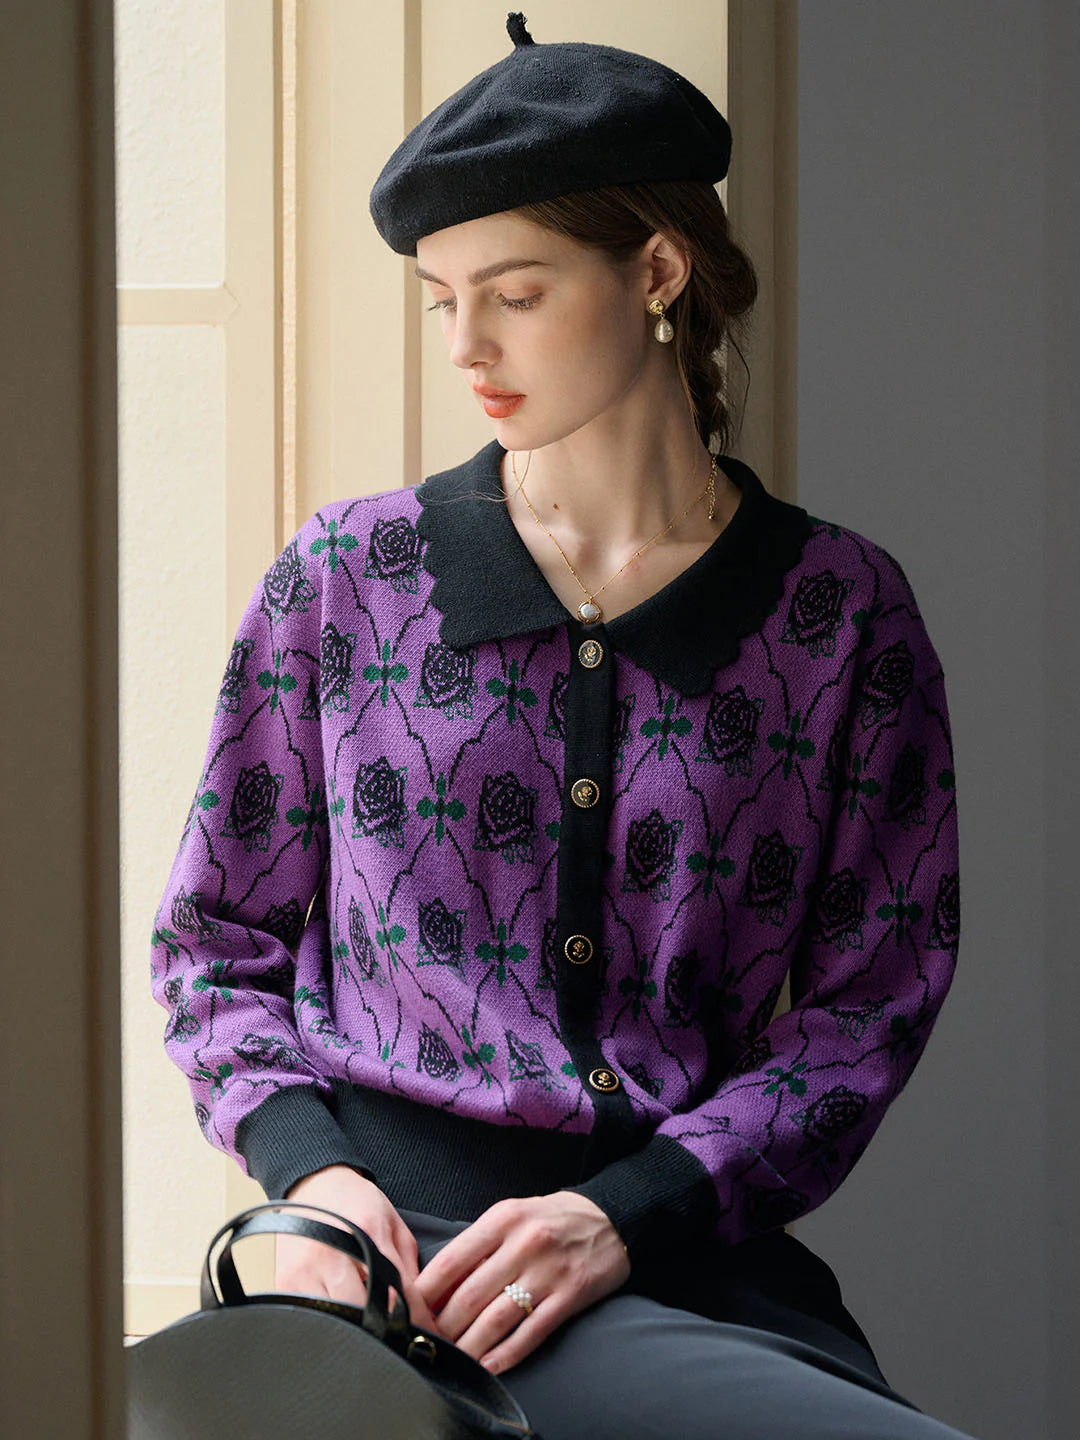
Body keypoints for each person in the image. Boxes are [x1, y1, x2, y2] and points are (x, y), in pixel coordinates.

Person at [151, 13, 976, 1438]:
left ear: (656, 271)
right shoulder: (350, 580)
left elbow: (871, 1006)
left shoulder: (836, 614)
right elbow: (211, 940)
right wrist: (310, 1178)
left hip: (687, 1252)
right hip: (395, 1252)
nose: (465, 344)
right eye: (440, 299)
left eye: (516, 293)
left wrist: (628, 1213)